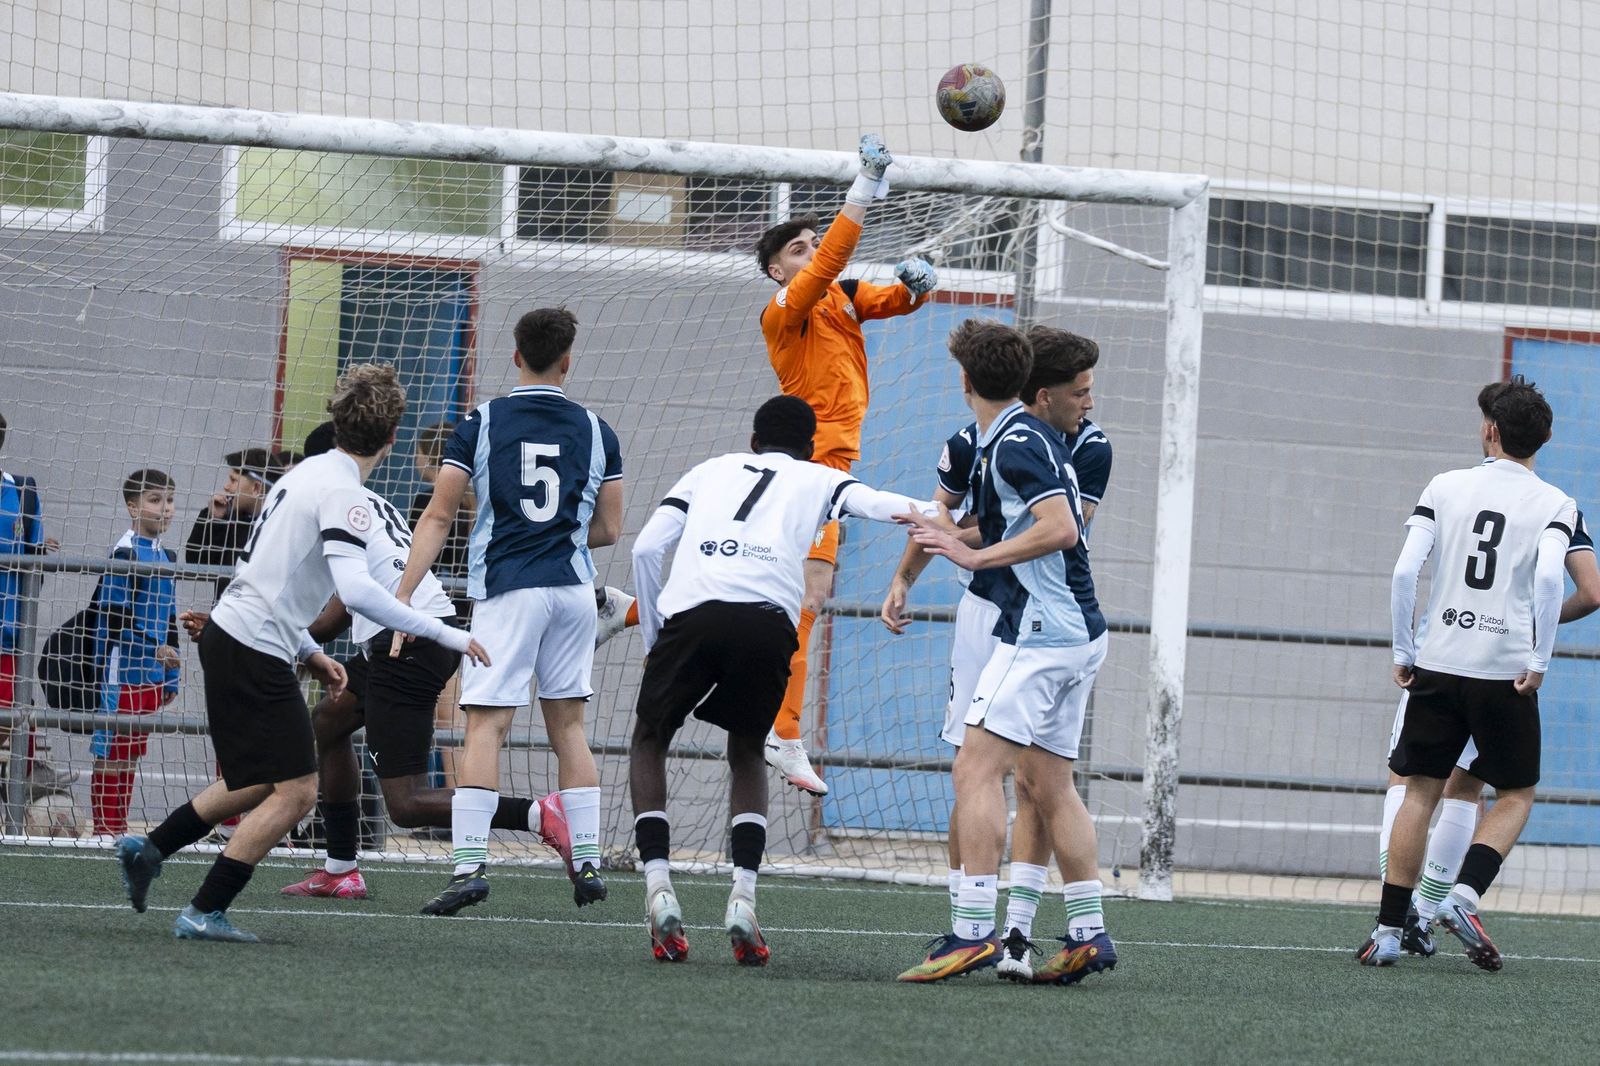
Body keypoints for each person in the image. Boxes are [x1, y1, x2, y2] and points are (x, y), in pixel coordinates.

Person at [595, 135, 938, 798]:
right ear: (778, 271)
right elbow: (836, 259)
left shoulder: (841, 297)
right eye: (798, 250)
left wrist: (918, 288)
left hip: (831, 464)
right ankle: (782, 732)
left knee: (778, 593)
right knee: (804, 599)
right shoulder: (785, 310)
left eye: (814, 243)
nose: (813, 254)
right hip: (804, 473)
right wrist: (861, 192)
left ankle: (633, 609)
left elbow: (888, 296)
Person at [114, 363, 488, 942]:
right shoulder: (346, 495)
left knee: (265, 779)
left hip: (238, 635)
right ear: (392, 437)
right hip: (255, 646)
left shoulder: (302, 473)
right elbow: (360, 591)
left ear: (335, 422)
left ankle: (151, 848)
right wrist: (451, 634)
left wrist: (310, 649)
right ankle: (205, 908)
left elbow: (276, 576)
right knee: (297, 791)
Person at [628, 396, 937, 965]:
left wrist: (654, 637)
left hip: (694, 614)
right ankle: (743, 899)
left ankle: (659, 888)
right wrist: (937, 511)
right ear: (811, 447)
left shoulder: (708, 470)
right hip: (769, 623)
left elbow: (647, 549)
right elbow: (878, 504)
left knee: (650, 738)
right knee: (748, 753)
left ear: (752, 440)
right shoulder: (821, 477)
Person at [879, 326, 1111, 978]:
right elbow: (1008, 519)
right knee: (1049, 783)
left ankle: (973, 930)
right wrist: (938, 541)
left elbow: (1060, 528)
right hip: (1077, 632)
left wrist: (973, 553)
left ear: (964, 382)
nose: (1088, 400)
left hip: (1039, 633)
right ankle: (1089, 931)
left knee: (973, 772)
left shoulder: (1013, 443)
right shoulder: (1017, 438)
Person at [397, 307, 622, 916]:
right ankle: (590, 861)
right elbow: (609, 527)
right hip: (575, 591)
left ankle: (469, 867)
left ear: (515, 356)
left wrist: (401, 596)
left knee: (486, 727)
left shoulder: (483, 421)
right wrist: (561, 537)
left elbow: (440, 515)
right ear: (567, 362)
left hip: (509, 588)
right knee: (568, 727)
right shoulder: (600, 430)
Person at [276, 433, 564, 901]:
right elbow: (343, 608)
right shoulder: (369, 502)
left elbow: (335, 614)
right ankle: (340, 868)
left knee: (406, 805)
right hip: (403, 638)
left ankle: (537, 814)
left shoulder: (328, 503)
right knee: (328, 724)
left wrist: (267, 633)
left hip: (408, 641)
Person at [1370, 381, 1600, 960]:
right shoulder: (1556, 503)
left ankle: (1390, 931)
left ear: (1490, 431)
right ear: (1544, 439)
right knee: (1510, 793)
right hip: (1504, 670)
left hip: (1440, 660)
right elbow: (1566, 586)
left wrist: (1404, 650)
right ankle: (1455, 897)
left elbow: (1404, 574)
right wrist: (1537, 651)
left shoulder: (1444, 486)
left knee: (1416, 788)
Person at [88, 470, 180, 836]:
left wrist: (170, 673)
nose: (166, 508)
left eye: (170, 500)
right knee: (110, 754)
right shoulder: (124, 553)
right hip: (120, 673)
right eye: (155, 500)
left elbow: (169, 617)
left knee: (130, 755)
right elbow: (113, 621)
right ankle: (103, 831)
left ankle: (119, 827)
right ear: (132, 507)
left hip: (152, 675)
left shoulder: (166, 556)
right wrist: (153, 647)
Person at [0, 409, 70, 797]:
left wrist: (37, 553)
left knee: (9, 719)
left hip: (9, 633)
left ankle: (20, 792)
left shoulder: (23, 491)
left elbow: (33, 565)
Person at [185, 447, 283, 598]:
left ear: (256, 488)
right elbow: (195, 561)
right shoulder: (228, 519)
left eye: (233, 480)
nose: (226, 486)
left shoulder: (281, 527)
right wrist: (214, 521)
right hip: (225, 616)